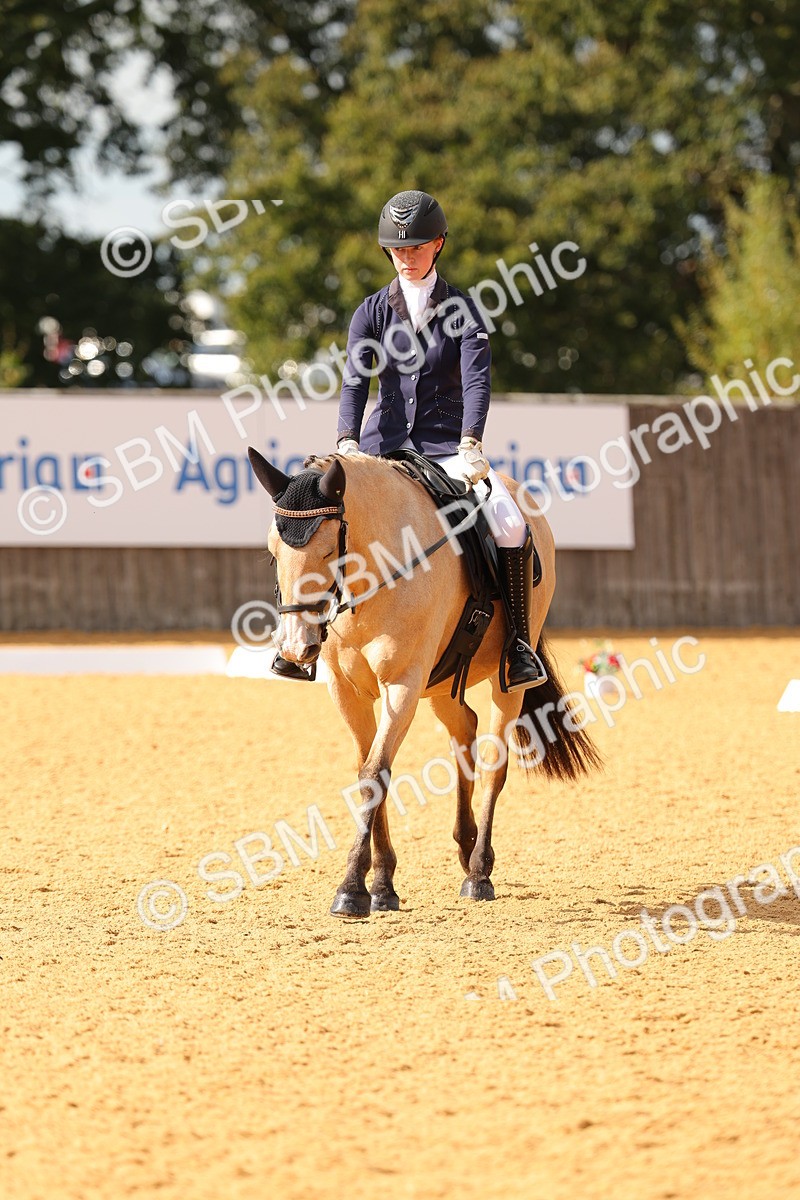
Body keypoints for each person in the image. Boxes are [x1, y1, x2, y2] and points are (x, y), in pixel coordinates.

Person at [272, 188, 546, 690]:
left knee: (509, 525)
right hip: (382, 448)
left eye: (416, 247)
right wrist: (347, 442)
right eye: (398, 249)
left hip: (445, 448)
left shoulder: (464, 308)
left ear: (438, 243)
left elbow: (476, 380)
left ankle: (518, 647)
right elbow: (356, 380)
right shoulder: (371, 312)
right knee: (309, 516)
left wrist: (471, 442)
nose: (406, 257)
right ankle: (299, 641)